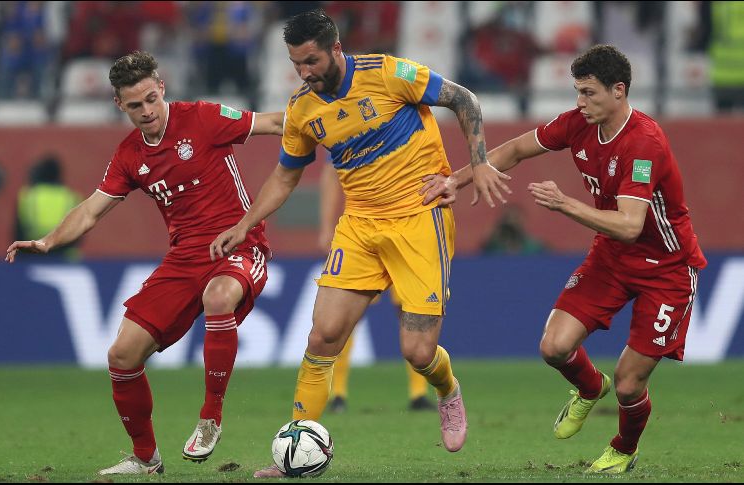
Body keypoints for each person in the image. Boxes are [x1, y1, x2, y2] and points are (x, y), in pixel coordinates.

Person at [208, 9, 508, 478]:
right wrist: (246, 223)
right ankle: (294, 451)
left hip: (418, 219)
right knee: (323, 335)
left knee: (418, 354)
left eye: (311, 62)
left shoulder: (389, 74)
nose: (305, 73)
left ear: (336, 50)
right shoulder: (302, 109)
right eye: (296, 64)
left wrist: (480, 162)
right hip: (360, 225)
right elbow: (286, 175)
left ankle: (447, 389)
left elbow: (462, 98)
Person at [423, 44, 707, 474]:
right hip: (611, 258)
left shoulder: (644, 143)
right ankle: (590, 388)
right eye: (577, 91)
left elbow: (631, 225)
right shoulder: (578, 124)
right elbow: (516, 150)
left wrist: (565, 204)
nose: (580, 102)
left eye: (589, 93)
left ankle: (622, 450)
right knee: (554, 348)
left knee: (630, 385)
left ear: (619, 91)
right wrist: (456, 181)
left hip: (666, 268)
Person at [5, 51, 285, 476]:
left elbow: (275, 123)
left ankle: (211, 417)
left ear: (162, 88)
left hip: (239, 243)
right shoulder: (128, 155)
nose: (147, 111)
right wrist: (48, 241)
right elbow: (92, 210)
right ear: (119, 104)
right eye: (135, 105)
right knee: (121, 355)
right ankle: (145, 458)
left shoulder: (204, 117)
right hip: (183, 257)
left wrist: (327, 114)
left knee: (219, 295)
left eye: (152, 99)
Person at [318, 165, 436, 413]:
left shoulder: (408, 131)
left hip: (408, 234)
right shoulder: (352, 130)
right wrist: (327, 226)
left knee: (411, 310)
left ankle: (418, 393)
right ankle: (337, 393)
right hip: (364, 234)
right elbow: (331, 174)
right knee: (347, 315)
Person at [15, 155, 82, 260]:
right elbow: (79, 232)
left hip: (33, 252)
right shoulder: (71, 197)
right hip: (64, 254)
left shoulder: (28, 196)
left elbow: (18, 230)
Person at [480, 203, 545, 255]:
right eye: (508, 218)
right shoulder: (493, 247)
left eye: (516, 219)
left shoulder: (533, 247)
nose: (512, 222)